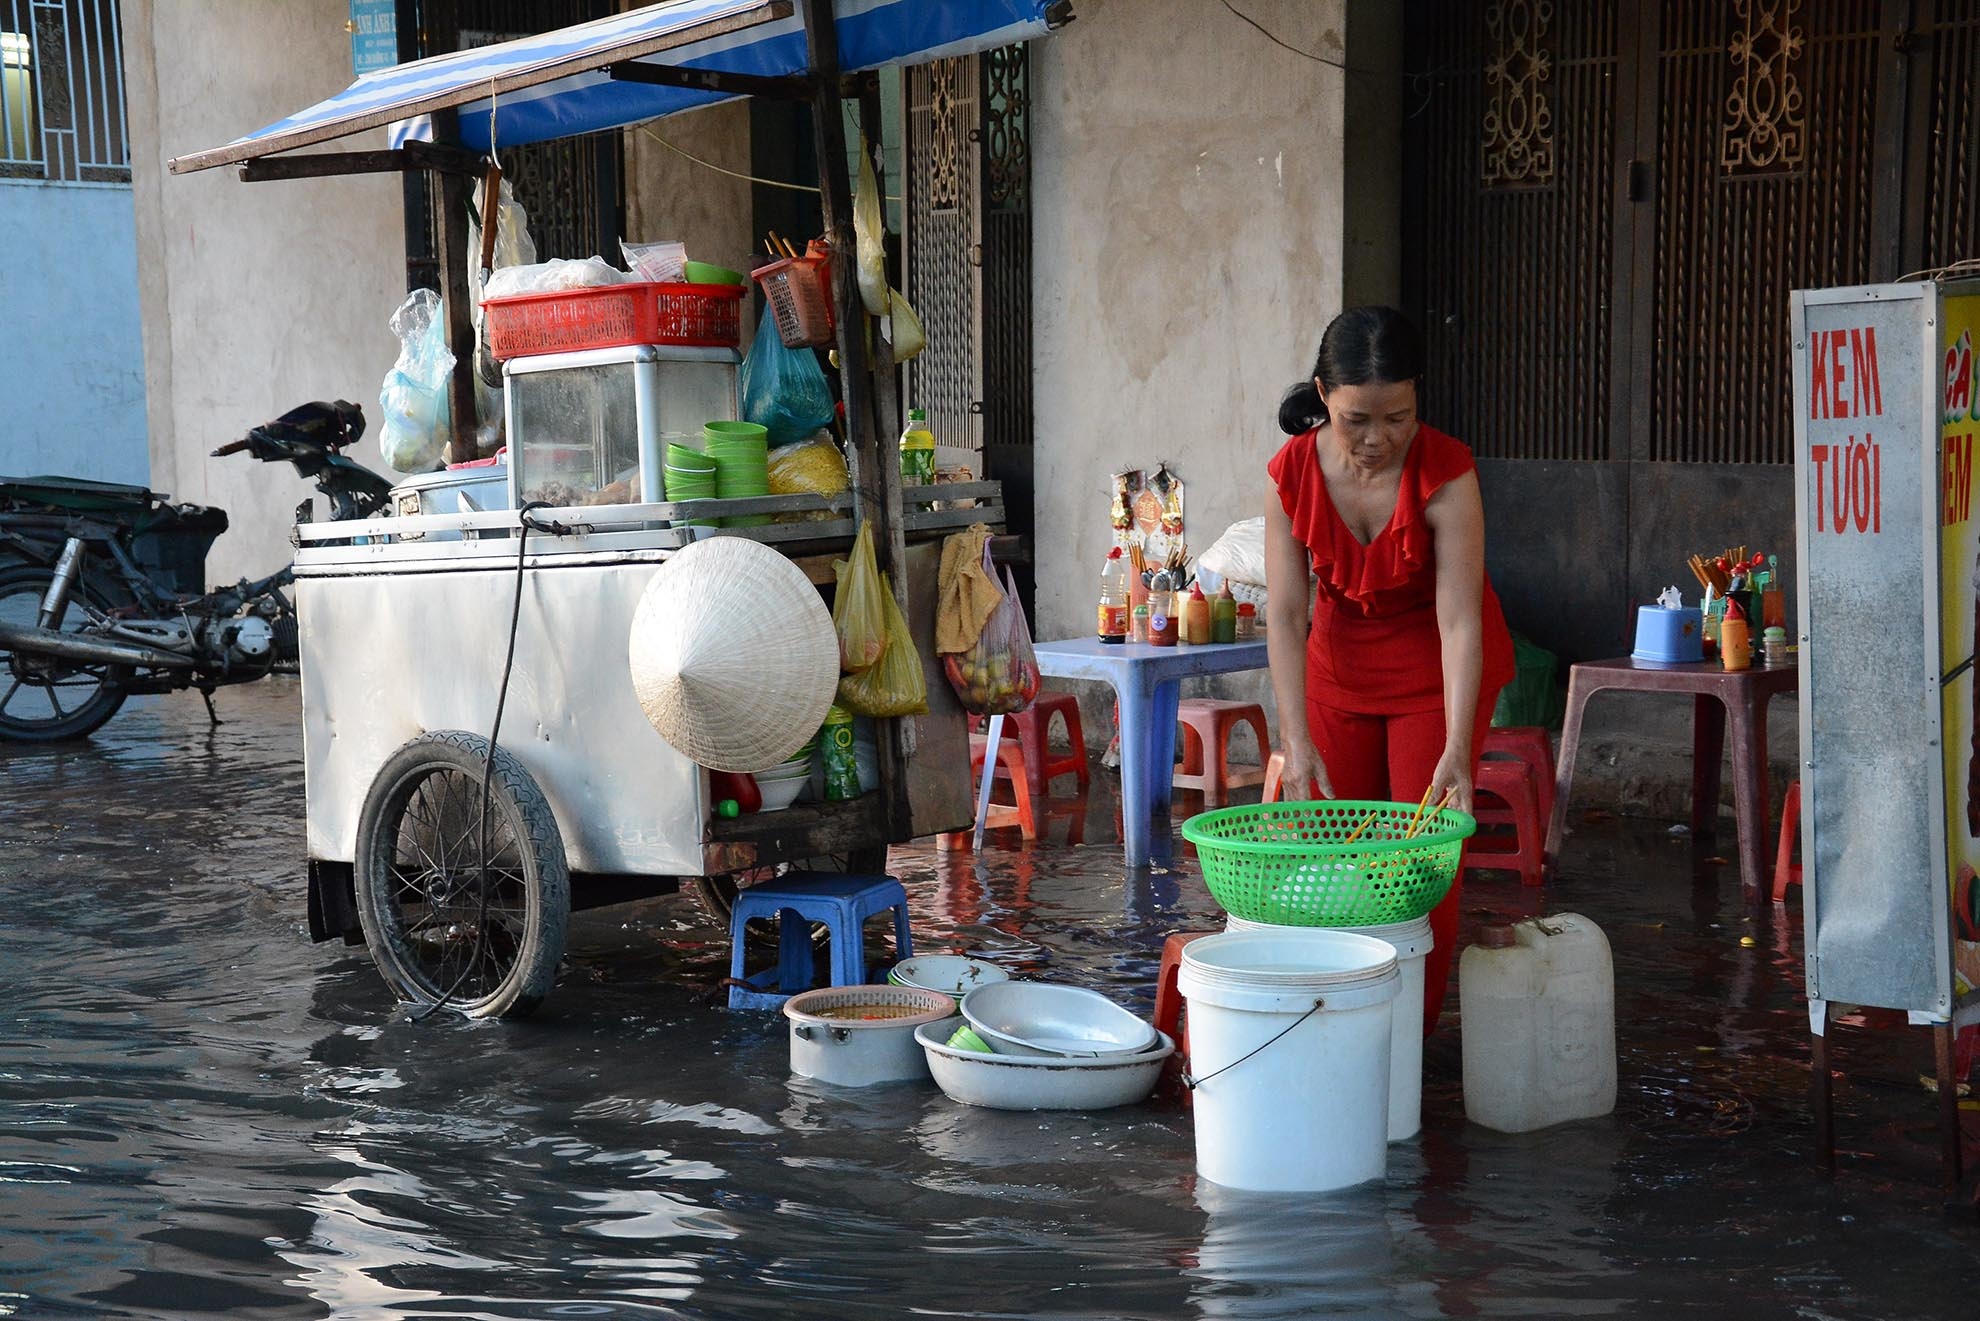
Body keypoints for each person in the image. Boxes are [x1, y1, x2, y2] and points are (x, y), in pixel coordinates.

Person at [1264, 306, 1516, 1031]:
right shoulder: (1289, 473)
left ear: (1418, 398)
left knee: (1420, 868)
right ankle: (1339, 1027)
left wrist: (1458, 746)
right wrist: (1295, 734)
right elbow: (1285, 613)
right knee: (1335, 857)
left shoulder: (1448, 472)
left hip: (1437, 677)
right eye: (1355, 420)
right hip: (1337, 672)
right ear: (1322, 396)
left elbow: (1460, 620)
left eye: (1397, 417)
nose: (1377, 439)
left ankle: (1408, 1039)